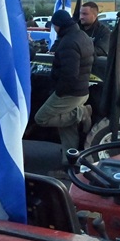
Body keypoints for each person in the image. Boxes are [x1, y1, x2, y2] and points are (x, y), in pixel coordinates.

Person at [34, 10, 94, 164]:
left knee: (41, 118)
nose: (53, 29)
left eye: (54, 26)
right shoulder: (82, 36)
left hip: (70, 93)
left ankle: (81, 113)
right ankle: (69, 164)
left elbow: (69, 74)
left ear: (58, 25)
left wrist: (58, 92)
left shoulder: (69, 42)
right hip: (81, 90)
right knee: (67, 128)